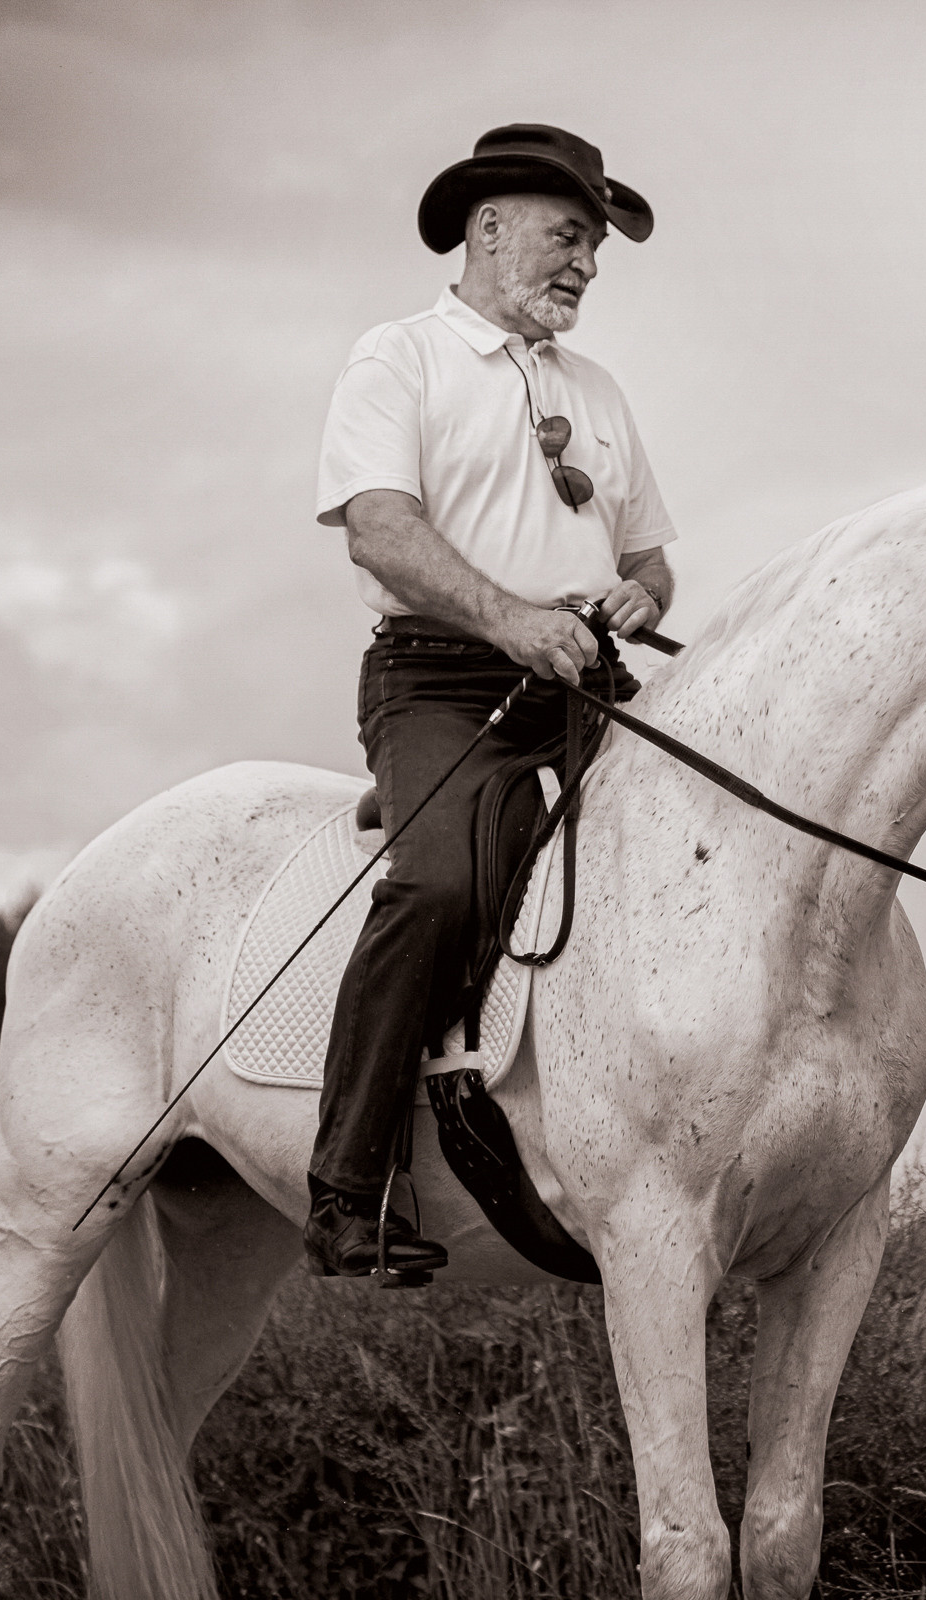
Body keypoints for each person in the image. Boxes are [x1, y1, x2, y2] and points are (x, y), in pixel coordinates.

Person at [304, 124, 677, 1277]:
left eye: (594, 248)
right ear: (490, 227)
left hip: (587, 678)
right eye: (570, 237)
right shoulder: (398, 358)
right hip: (441, 680)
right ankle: (350, 1189)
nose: (587, 265)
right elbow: (380, 529)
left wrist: (638, 593)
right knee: (442, 884)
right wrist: (512, 619)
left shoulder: (599, 391)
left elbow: (652, 561)